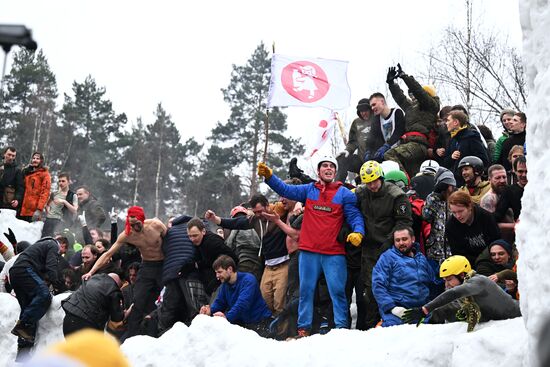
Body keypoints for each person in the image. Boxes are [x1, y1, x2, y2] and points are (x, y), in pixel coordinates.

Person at [257, 156, 365, 337]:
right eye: (325, 166)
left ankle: (341, 329)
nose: (328, 168)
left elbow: (354, 216)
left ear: (335, 171)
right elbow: (286, 189)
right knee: (306, 291)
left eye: (332, 166)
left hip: (334, 253)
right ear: (319, 171)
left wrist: (359, 232)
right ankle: (303, 328)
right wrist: (269, 177)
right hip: (308, 252)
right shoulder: (310, 190)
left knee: (337, 292)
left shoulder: (344, 193)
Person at [82, 205, 167, 340]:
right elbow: (108, 254)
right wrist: (91, 272)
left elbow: (171, 242)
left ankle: (164, 333)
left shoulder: (156, 225)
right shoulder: (128, 234)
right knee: (137, 301)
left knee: (167, 298)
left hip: (163, 265)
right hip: (147, 266)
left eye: (137, 224)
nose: (135, 227)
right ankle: (131, 338)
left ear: (142, 219)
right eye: (131, 224)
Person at [205, 194, 289, 316]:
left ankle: (282, 333)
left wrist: (298, 205)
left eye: (260, 211)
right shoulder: (255, 219)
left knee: (279, 303)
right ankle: (269, 330)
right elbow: (236, 223)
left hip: (283, 263)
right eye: (255, 212)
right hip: (268, 266)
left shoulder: (280, 211)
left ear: (267, 205)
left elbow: (294, 199)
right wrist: (216, 219)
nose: (258, 214)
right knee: (265, 301)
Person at [355, 160, 413, 329]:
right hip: (369, 249)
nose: (372, 186)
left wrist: (390, 243)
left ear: (381, 177)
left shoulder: (397, 195)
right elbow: (344, 198)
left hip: (392, 247)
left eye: (374, 181)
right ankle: (372, 325)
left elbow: (404, 222)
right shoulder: (361, 193)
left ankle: (396, 322)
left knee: (394, 285)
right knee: (372, 288)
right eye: (368, 183)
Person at [403, 256, 521, 331]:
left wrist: (425, 309)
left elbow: (454, 293)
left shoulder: (478, 281)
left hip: (519, 316)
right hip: (496, 321)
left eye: (449, 279)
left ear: (462, 275)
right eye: (445, 281)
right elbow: (446, 304)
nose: (447, 285)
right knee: (441, 309)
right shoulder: (466, 293)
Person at [9, 237, 63, 360]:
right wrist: (58, 287)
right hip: (24, 269)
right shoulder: (53, 245)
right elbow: (51, 267)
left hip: (15, 274)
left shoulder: (38, 248)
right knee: (44, 296)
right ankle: (23, 324)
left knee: (29, 308)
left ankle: (23, 353)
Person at [372, 227, 437, 326]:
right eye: (397, 240)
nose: (401, 243)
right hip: (396, 311)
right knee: (393, 332)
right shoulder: (387, 258)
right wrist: (392, 308)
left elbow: (433, 283)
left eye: (404, 239)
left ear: (413, 239)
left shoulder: (421, 258)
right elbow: (378, 285)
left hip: (421, 310)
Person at [385, 64, 440, 177]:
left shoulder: (430, 106)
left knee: (390, 155)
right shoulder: (411, 107)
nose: (414, 97)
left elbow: (419, 91)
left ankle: (402, 181)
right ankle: (410, 188)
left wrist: (405, 77)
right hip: (409, 143)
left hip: (418, 144)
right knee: (413, 173)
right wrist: (391, 84)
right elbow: (400, 98)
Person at [200, 255, 273, 337]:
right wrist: (210, 310)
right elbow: (220, 302)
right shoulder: (225, 285)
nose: (217, 276)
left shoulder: (248, 280)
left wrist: (226, 318)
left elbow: (242, 304)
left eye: (219, 272)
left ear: (230, 269)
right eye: (216, 273)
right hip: (244, 324)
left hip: (260, 322)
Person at [157, 215, 207, 334]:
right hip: (190, 273)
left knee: (169, 309)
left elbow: (164, 249)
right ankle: (198, 335)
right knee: (194, 307)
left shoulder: (170, 232)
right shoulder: (197, 229)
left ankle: (162, 336)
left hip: (171, 274)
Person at [445, 190, 501, 267]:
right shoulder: (451, 225)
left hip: (491, 260)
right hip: (468, 264)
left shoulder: (486, 217)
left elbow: (496, 241)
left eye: (460, 211)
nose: (458, 216)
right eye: (454, 213)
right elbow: (457, 254)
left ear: (469, 206)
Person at [61, 272, 126, 336]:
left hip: (68, 318)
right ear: (117, 284)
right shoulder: (113, 288)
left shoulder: (93, 278)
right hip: (86, 325)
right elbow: (117, 318)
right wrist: (123, 313)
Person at [186, 217, 237, 296]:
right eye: (190, 236)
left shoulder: (212, 242)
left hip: (221, 283)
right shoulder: (198, 243)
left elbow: (232, 258)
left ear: (203, 231)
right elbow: (207, 261)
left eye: (195, 235)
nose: (192, 239)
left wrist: (217, 281)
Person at [442, 110, 489, 184]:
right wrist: (451, 157)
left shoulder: (471, 137)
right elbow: (445, 162)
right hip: (456, 182)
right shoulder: (452, 140)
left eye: (448, 120)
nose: (446, 123)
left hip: (471, 182)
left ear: (455, 122)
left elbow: (483, 159)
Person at [336, 98, 376, 182]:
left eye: (365, 110)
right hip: (361, 160)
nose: (363, 113)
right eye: (361, 111)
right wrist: (347, 150)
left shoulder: (377, 119)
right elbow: (353, 142)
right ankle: (337, 186)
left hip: (376, 159)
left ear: (370, 109)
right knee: (342, 158)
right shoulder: (356, 122)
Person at [423, 168, 456, 266]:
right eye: (445, 184)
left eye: (450, 184)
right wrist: (435, 195)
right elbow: (426, 216)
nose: (449, 187)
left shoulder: (457, 197)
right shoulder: (433, 198)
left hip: (453, 252)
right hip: (435, 252)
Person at [224, 205, 262, 280]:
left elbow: (229, 244)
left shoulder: (237, 227)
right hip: (258, 263)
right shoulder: (254, 227)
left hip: (243, 262)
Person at [367, 92, 406, 162]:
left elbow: (399, 131)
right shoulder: (376, 119)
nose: (372, 108)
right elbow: (372, 136)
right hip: (386, 153)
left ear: (382, 102)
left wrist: (387, 145)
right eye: (371, 106)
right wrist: (368, 151)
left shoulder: (397, 112)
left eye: (374, 104)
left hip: (401, 148)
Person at [43, 172, 78, 237]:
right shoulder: (54, 193)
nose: (61, 183)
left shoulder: (73, 195)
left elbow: (74, 210)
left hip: (61, 222)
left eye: (63, 181)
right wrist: (48, 211)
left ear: (68, 182)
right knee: (43, 239)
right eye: (59, 181)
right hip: (49, 221)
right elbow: (47, 205)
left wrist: (64, 202)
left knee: (56, 241)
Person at [19, 152, 51, 222]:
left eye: (37, 158)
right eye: (33, 158)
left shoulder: (45, 174)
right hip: (22, 210)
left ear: (41, 161)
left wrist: (39, 210)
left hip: (33, 212)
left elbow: (45, 192)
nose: (35, 160)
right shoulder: (27, 173)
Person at [0, 146, 24, 213]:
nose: (11, 157)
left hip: (7, 204)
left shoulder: (17, 170)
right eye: (9, 154)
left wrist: (17, 199)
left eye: (13, 156)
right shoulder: (0, 166)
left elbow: (20, 188)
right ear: (4, 154)